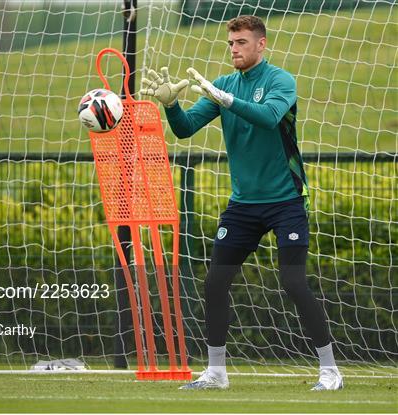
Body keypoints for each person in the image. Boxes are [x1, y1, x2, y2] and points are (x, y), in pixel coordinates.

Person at [140, 15, 343, 391]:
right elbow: (185, 129)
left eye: (242, 42)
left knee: (294, 282)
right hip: (243, 205)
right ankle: (216, 373)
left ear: (261, 44)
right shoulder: (223, 85)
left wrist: (225, 99)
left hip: (286, 201)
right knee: (216, 282)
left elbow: (267, 117)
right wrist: (170, 106)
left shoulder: (280, 81)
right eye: (231, 43)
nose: (234, 49)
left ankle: (330, 371)